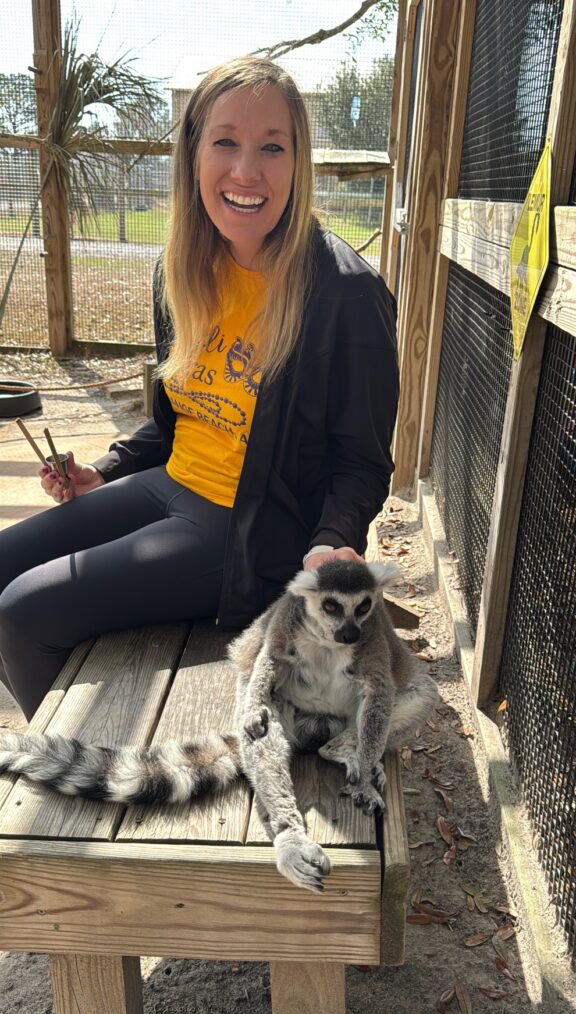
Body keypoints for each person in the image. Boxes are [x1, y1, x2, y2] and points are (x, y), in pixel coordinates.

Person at [0, 56, 399, 722]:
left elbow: (361, 461)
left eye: (273, 146)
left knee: (21, 612)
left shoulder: (346, 294)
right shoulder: (183, 269)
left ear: (298, 163)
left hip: (246, 530)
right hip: (170, 485)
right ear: (192, 155)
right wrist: (104, 470)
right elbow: (175, 420)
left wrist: (334, 538)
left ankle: (82, 762)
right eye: (225, 142)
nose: (247, 170)